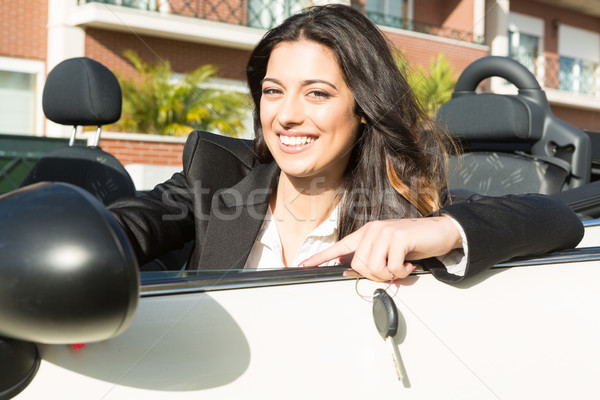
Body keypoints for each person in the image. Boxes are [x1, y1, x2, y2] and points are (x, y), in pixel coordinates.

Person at [108, 4, 583, 284]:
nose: (286, 113)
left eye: (317, 93)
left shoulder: (404, 204)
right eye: (273, 91)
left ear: (363, 109)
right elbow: (120, 228)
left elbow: (558, 220)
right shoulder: (211, 177)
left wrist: (438, 231)